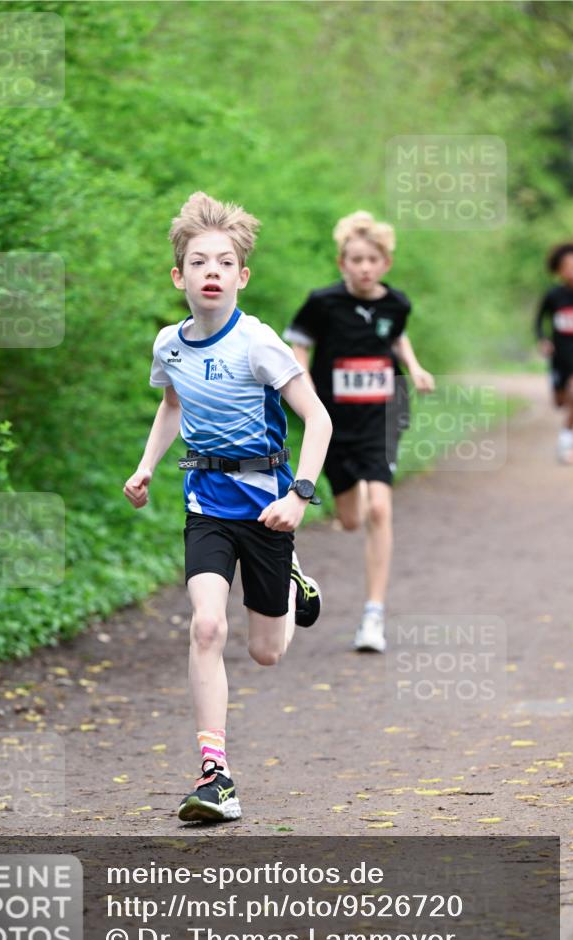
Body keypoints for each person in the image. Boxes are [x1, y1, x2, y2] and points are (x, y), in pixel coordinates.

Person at [123, 192, 332, 823]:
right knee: (207, 627)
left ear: (242, 276)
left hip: (268, 507)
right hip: (206, 505)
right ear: (179, 276)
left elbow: (318, 419)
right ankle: (216, 775)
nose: (210, 272)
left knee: (266, 652)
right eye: (198, 262)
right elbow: (172, 404)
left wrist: (299, 496)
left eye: (223, 263)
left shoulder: (258, 344)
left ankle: (291, 576)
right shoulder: (170, 344)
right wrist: (146, 465)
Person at [285, 210, 434, 653]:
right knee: (352, 519)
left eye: (373, 259)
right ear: (342, 263)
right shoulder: (322, 302)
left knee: (381, 510)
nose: (365, 267)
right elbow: (299, 343)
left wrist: (414, 367)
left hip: (383, 415)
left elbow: (397, 337)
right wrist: (305, 388)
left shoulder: (397, 304)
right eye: (356, 259)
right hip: (334, 422)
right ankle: (358, 499)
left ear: (386, 263)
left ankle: (373, 615)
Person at [535, 241, 573, 465]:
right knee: (560, 402)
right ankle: (566, 432)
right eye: (566, 267)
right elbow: (538, 321)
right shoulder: (553, 296)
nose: (571, 271)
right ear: (558, 270)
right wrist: (543, 340)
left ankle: (566, 440)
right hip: (559, 355)